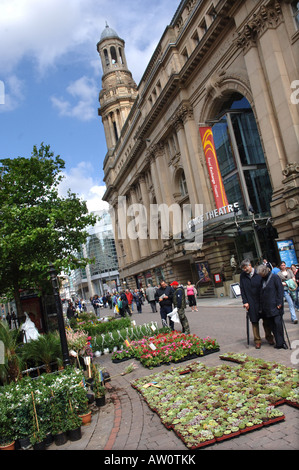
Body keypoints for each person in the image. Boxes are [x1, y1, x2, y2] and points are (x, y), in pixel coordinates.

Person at [240, 259, 274, 349]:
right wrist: (245, 302)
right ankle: (257, 340)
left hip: (261, 300)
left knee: (266, 321)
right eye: (243, 268)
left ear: (250, 265)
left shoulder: (258, 273)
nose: (245, 270)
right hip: (251, 302)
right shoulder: (242, 276)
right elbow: (242, 289)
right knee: (254, 322)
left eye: (245, 267)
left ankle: (269, 337)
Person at [256, 264, 287, 349]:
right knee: (272, 326)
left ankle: (282, 342)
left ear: (264, 271)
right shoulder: (262, 280)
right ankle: (278, 342)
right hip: (267, 308)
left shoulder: (274, 277)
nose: (260, 275)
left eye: (260, 273)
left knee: (278, 325)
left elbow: (280, 290)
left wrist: (279, 303)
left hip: (276, 306)